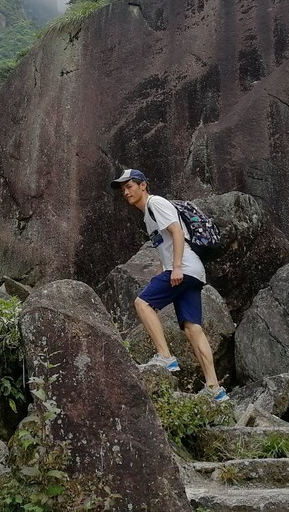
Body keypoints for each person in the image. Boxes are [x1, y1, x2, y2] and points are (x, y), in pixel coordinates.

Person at [111, 168, 228, 401]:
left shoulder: (156, 203)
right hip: (192, 271)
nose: (126, 192)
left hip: (183, 268)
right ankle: (215, 389)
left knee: (142, 303)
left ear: (143, 185)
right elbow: (166, 243)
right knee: (192, 327)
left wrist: (175, 267)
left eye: (130, 186)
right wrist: (165, 268)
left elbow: (176, 232)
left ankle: (165, 356)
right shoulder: (148, 214)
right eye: (123, 189)